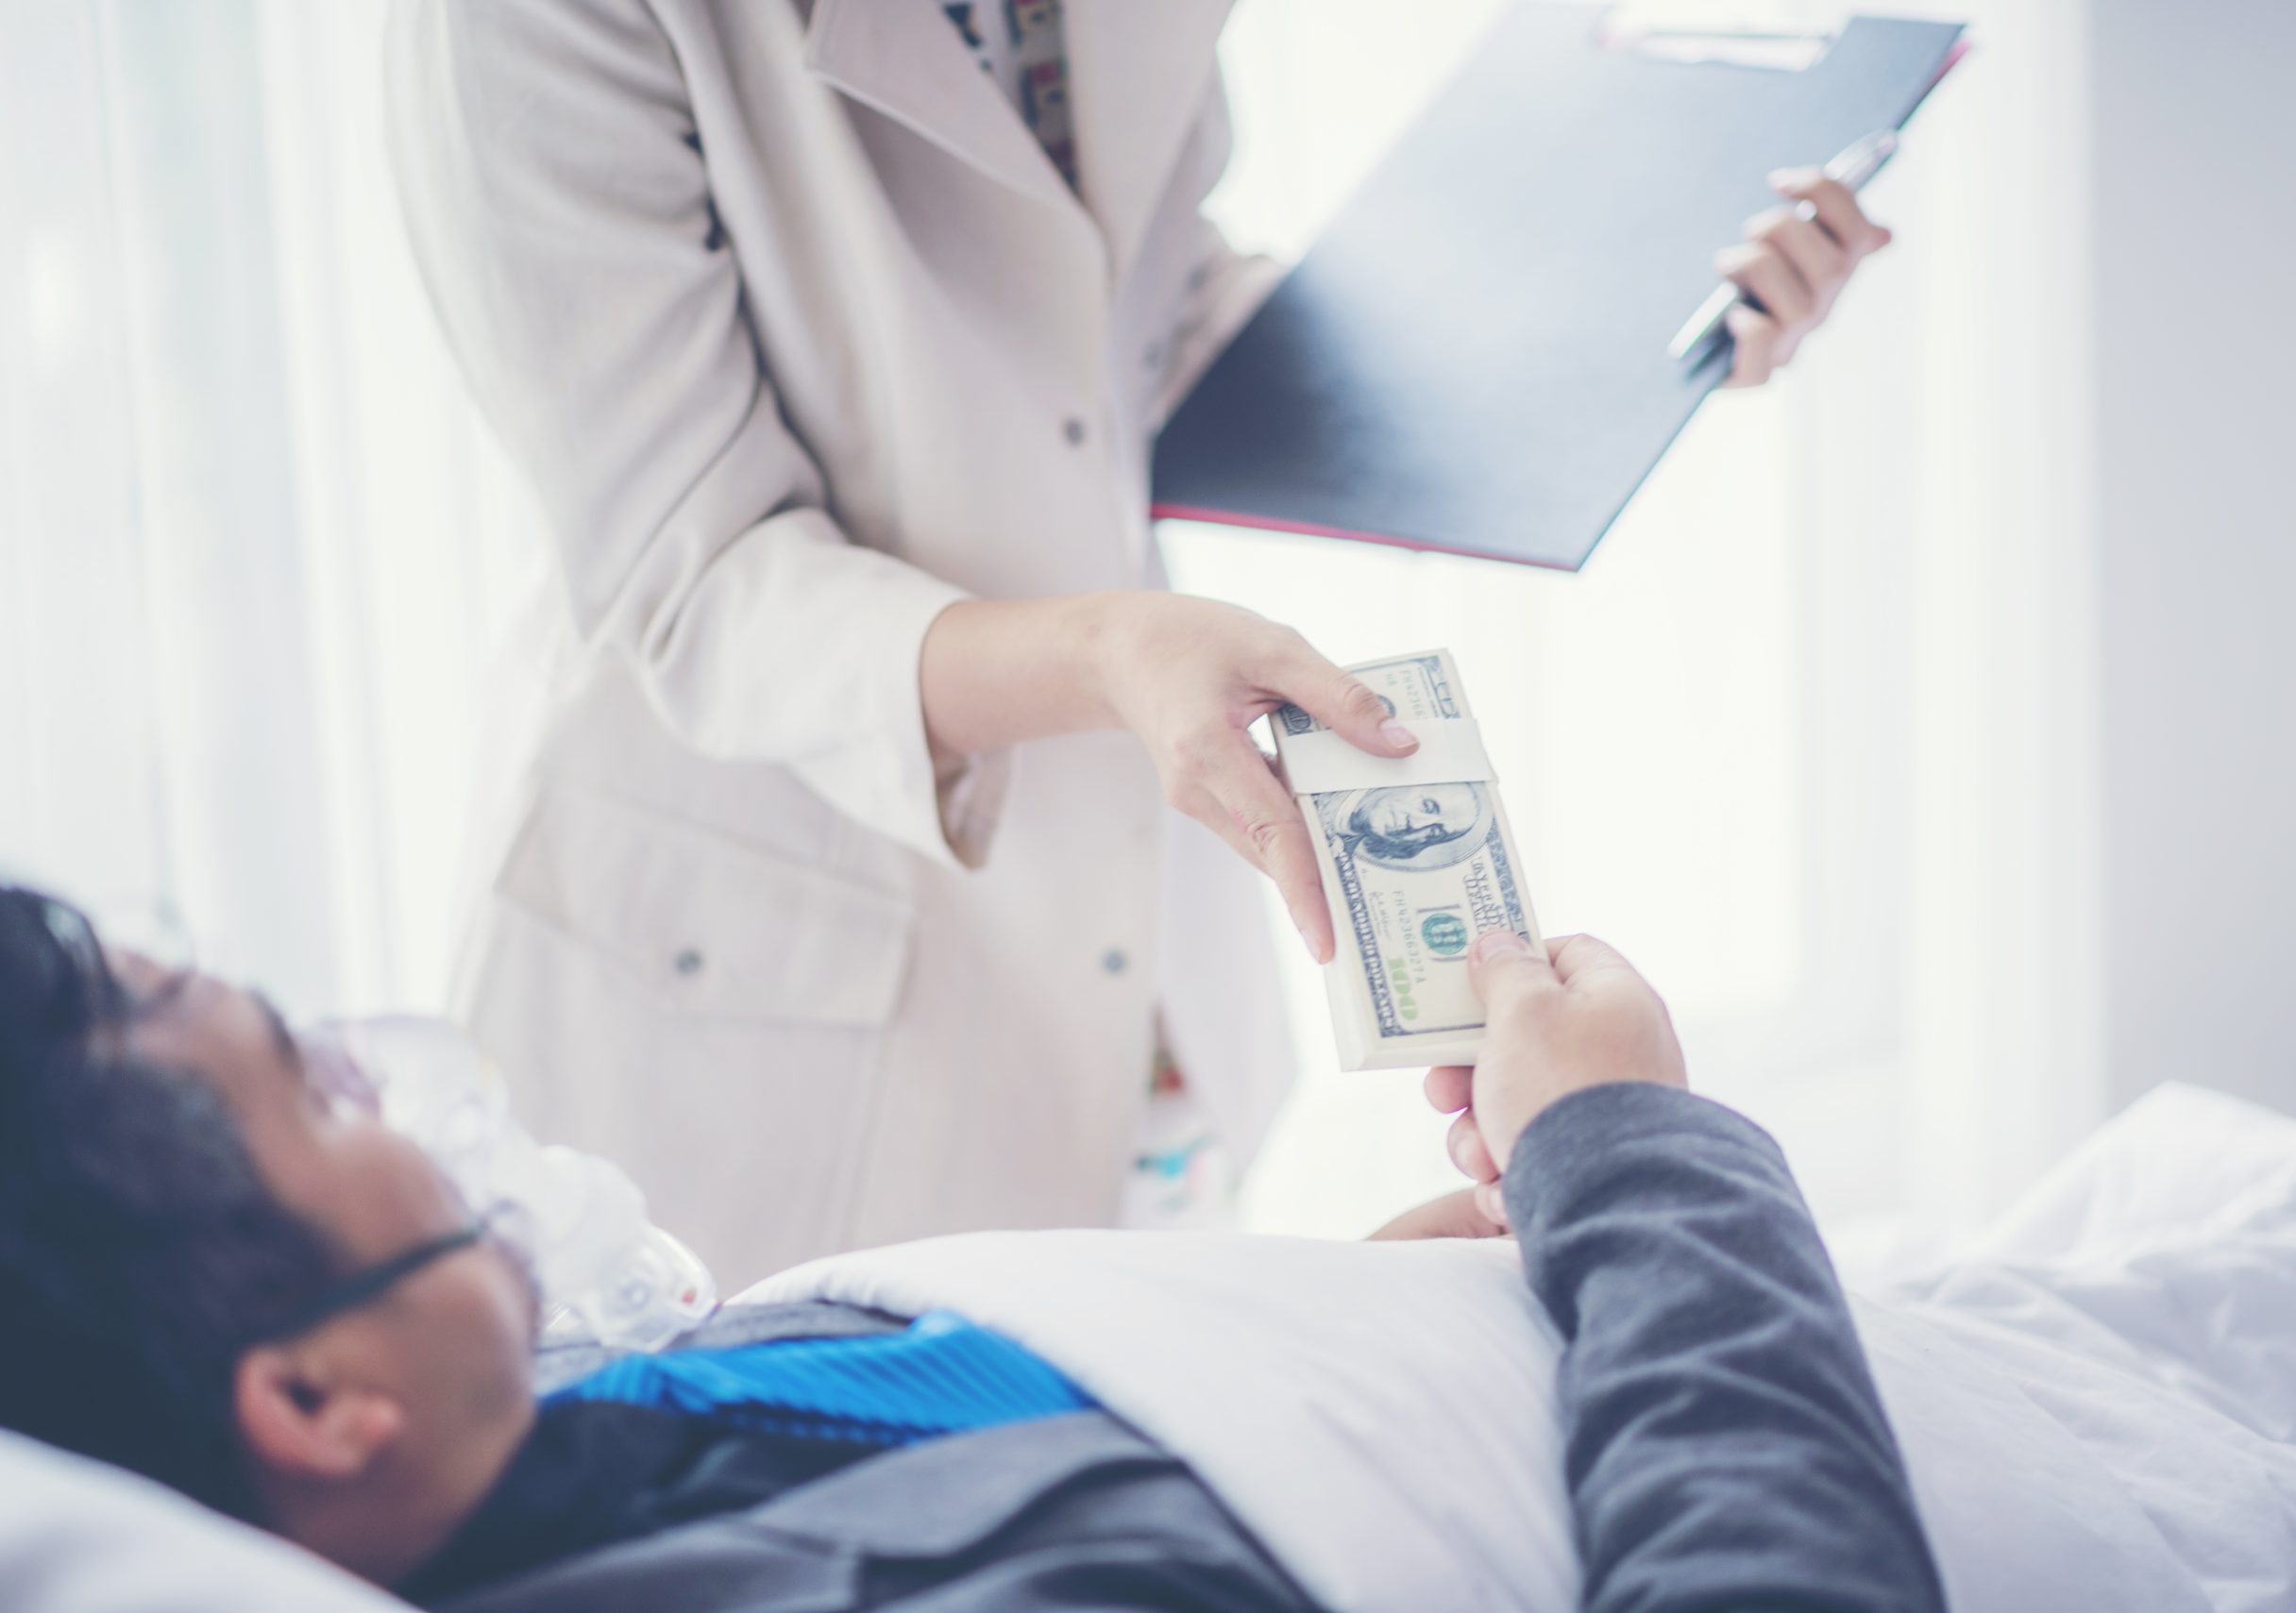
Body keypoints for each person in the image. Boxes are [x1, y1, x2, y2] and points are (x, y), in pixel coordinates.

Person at [382, 0, 1899, 1281]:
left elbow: (1135, 326)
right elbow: (696, 575)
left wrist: (1643, 328)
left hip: (1131, 935)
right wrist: (1114, 653)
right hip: (762, 957)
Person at [0, 881, 1944, 1611]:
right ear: (318, 1397)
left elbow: (1025, 1453)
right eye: (321, 1090)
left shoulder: (587, 1424)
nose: (397, 1090)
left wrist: (1324, 1325)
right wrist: (1634, 1149)